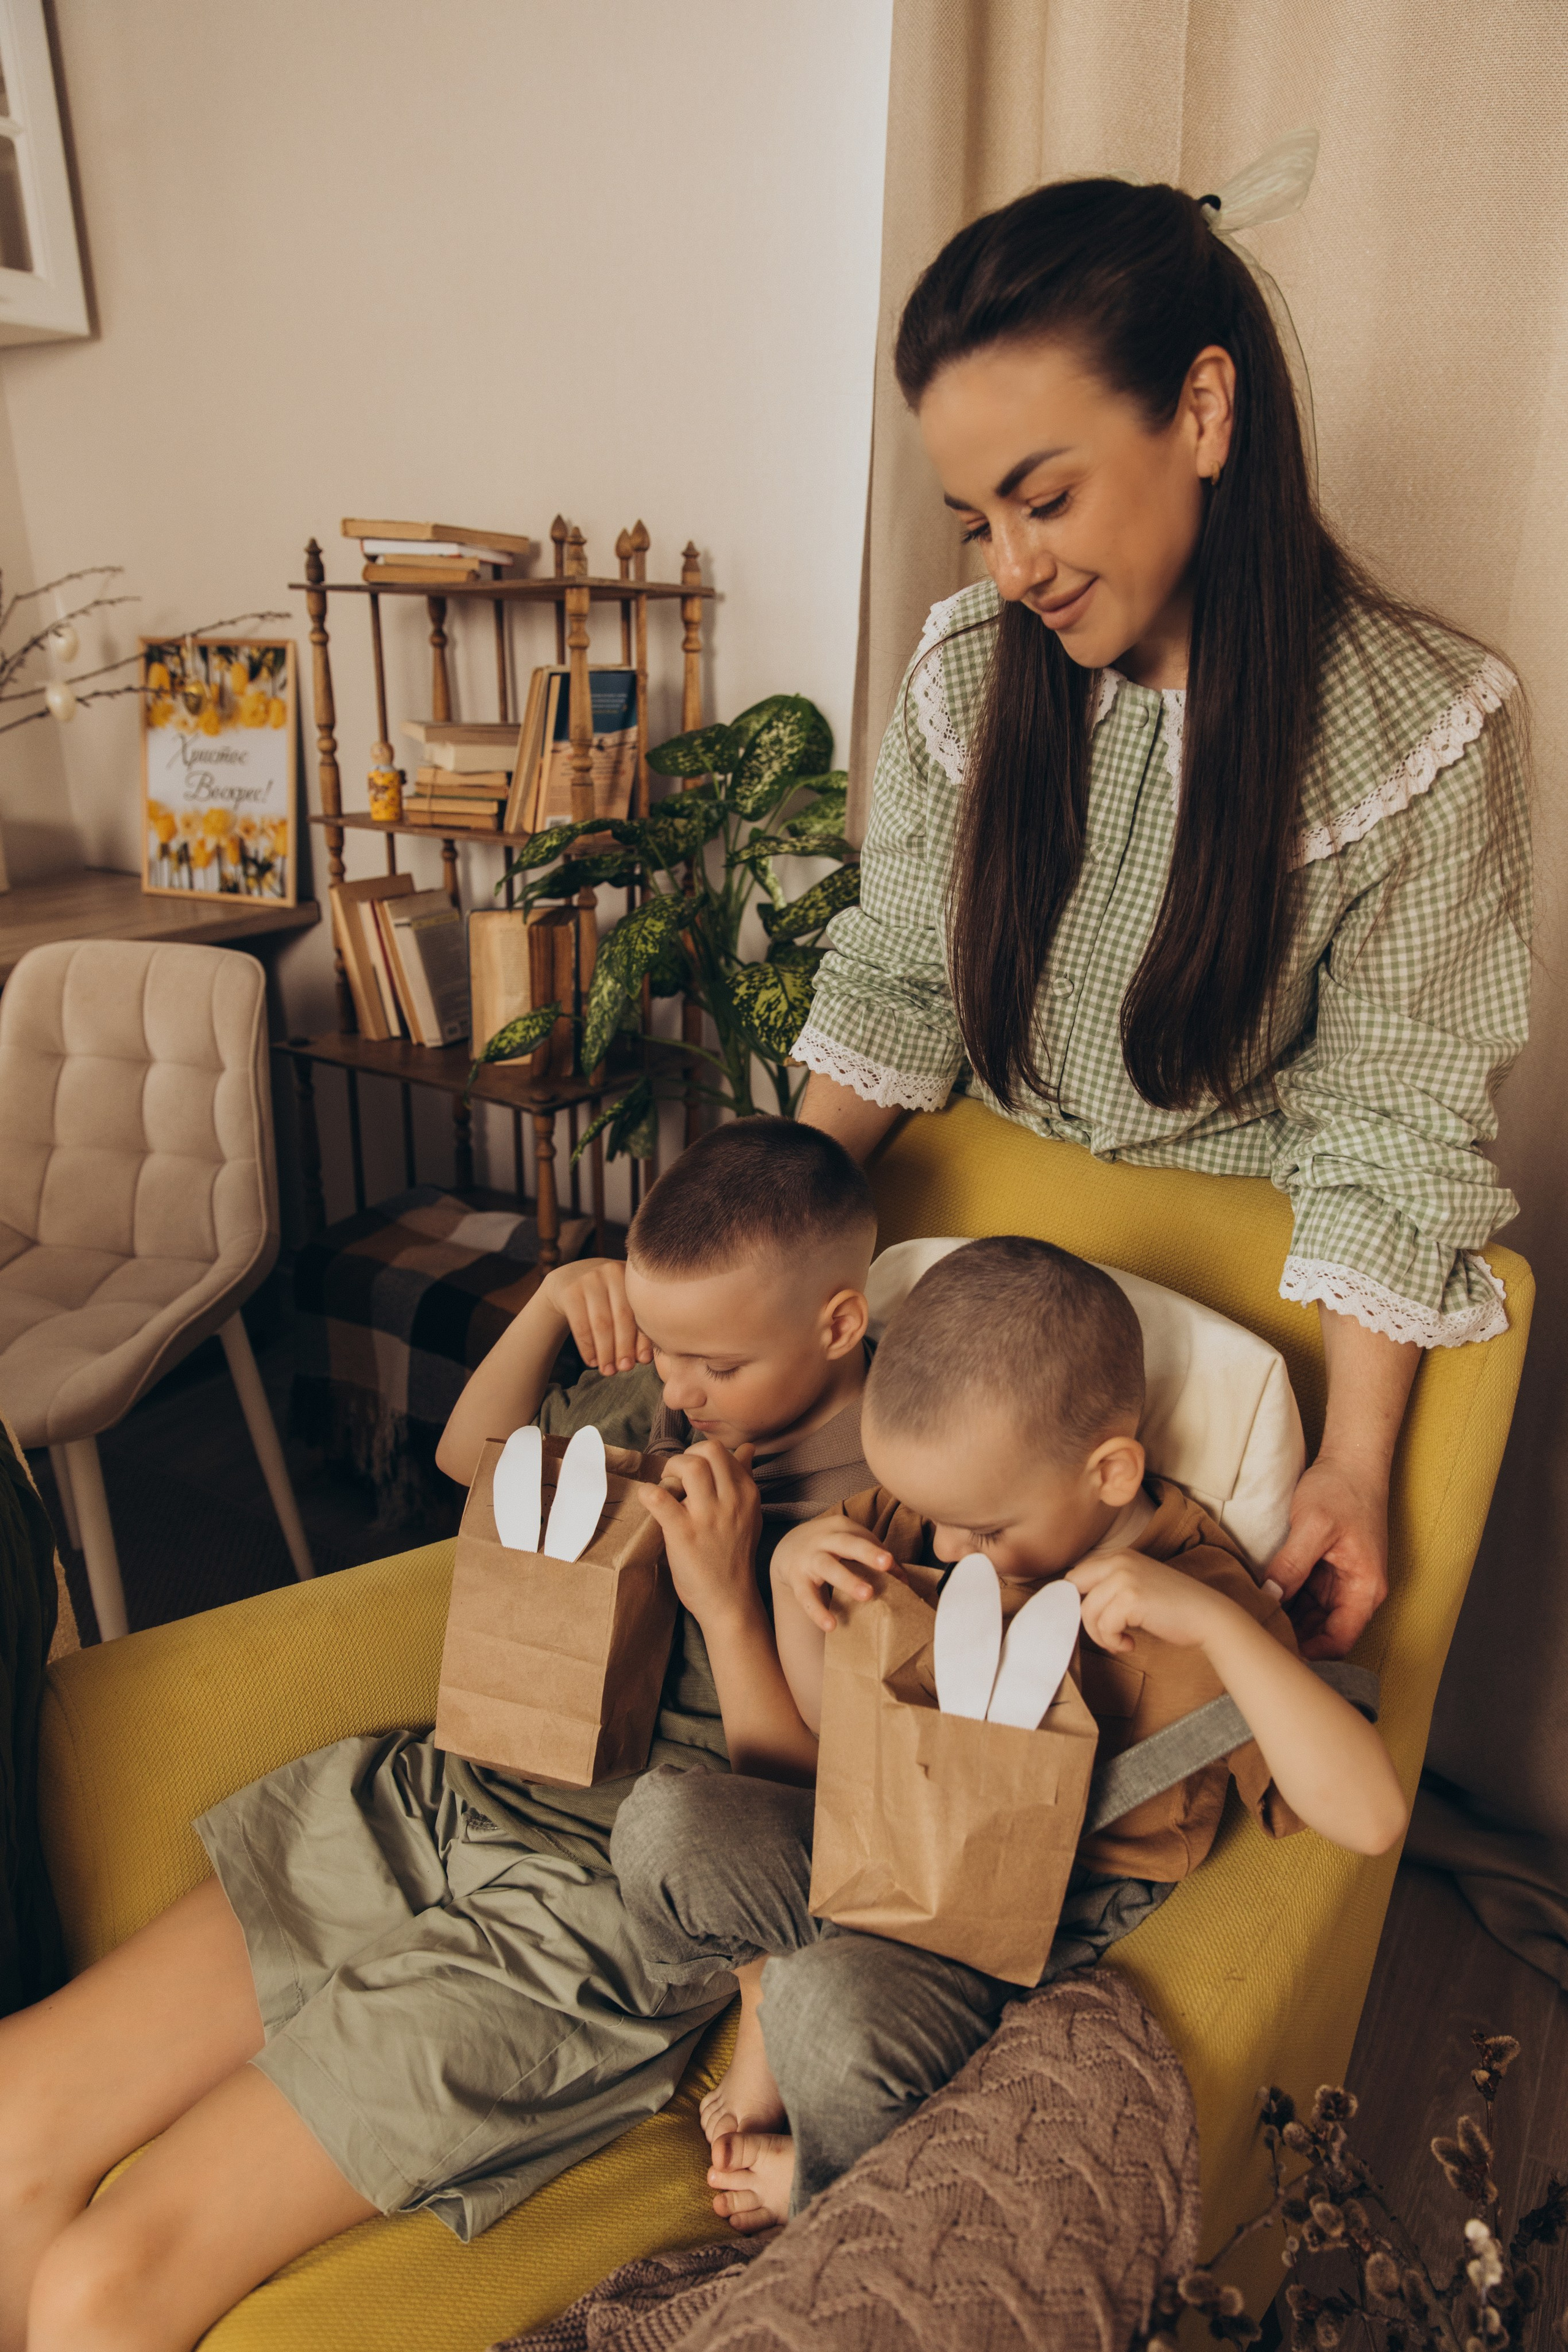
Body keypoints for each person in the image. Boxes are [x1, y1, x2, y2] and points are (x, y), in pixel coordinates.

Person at [790, 172, 1531, 1664]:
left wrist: (1350, 1468)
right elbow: (895, 988)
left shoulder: (1421, 729)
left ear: (1200, 411)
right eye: (977, 522)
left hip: (1211, 1348)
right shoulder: (966, 667)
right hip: (963, 1299)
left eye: (1045, 498)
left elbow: (1391, 1122)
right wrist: (770, 1247)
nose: (1014, 567)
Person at [0, 1119, 874, 2352]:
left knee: (101, 2286)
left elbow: (791, 1839)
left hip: (586, 1925)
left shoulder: (880, 1516)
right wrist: (550, 1306)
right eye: (663, 1345)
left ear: (838, 1325)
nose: (677, 1390)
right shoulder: (661, 1395)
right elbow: (472, 1461)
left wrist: (728, 1602)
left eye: (714, 1365)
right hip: (434, 1800)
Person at [612, 1235, 1408, 2231]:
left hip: (1021, 1930)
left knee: (830, 2014)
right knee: (662, 1826)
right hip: (879, 1838)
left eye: (984, 1532)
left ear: (1111, 1472)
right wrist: (785, 1581)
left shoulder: (1206, 1600)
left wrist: (1220, 1628)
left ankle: (825, 2184)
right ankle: (764, 1984)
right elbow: (826, 1734)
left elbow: (1372, 1819)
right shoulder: (928, 1512)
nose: (948, 1548)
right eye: (929, 1516)